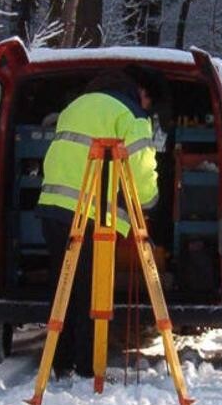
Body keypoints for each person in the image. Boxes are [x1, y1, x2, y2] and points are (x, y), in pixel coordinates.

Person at [35, 65, 167, 378]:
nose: (148, 109)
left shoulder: (76, 106)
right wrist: (150, 203)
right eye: (150, 104)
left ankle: (61, 360)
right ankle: (86, 367)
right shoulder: (131, 115)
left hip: (53, 209)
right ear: (142, 93)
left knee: (63, 287)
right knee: (89, 293)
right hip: (93, 218)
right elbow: (141, 170)